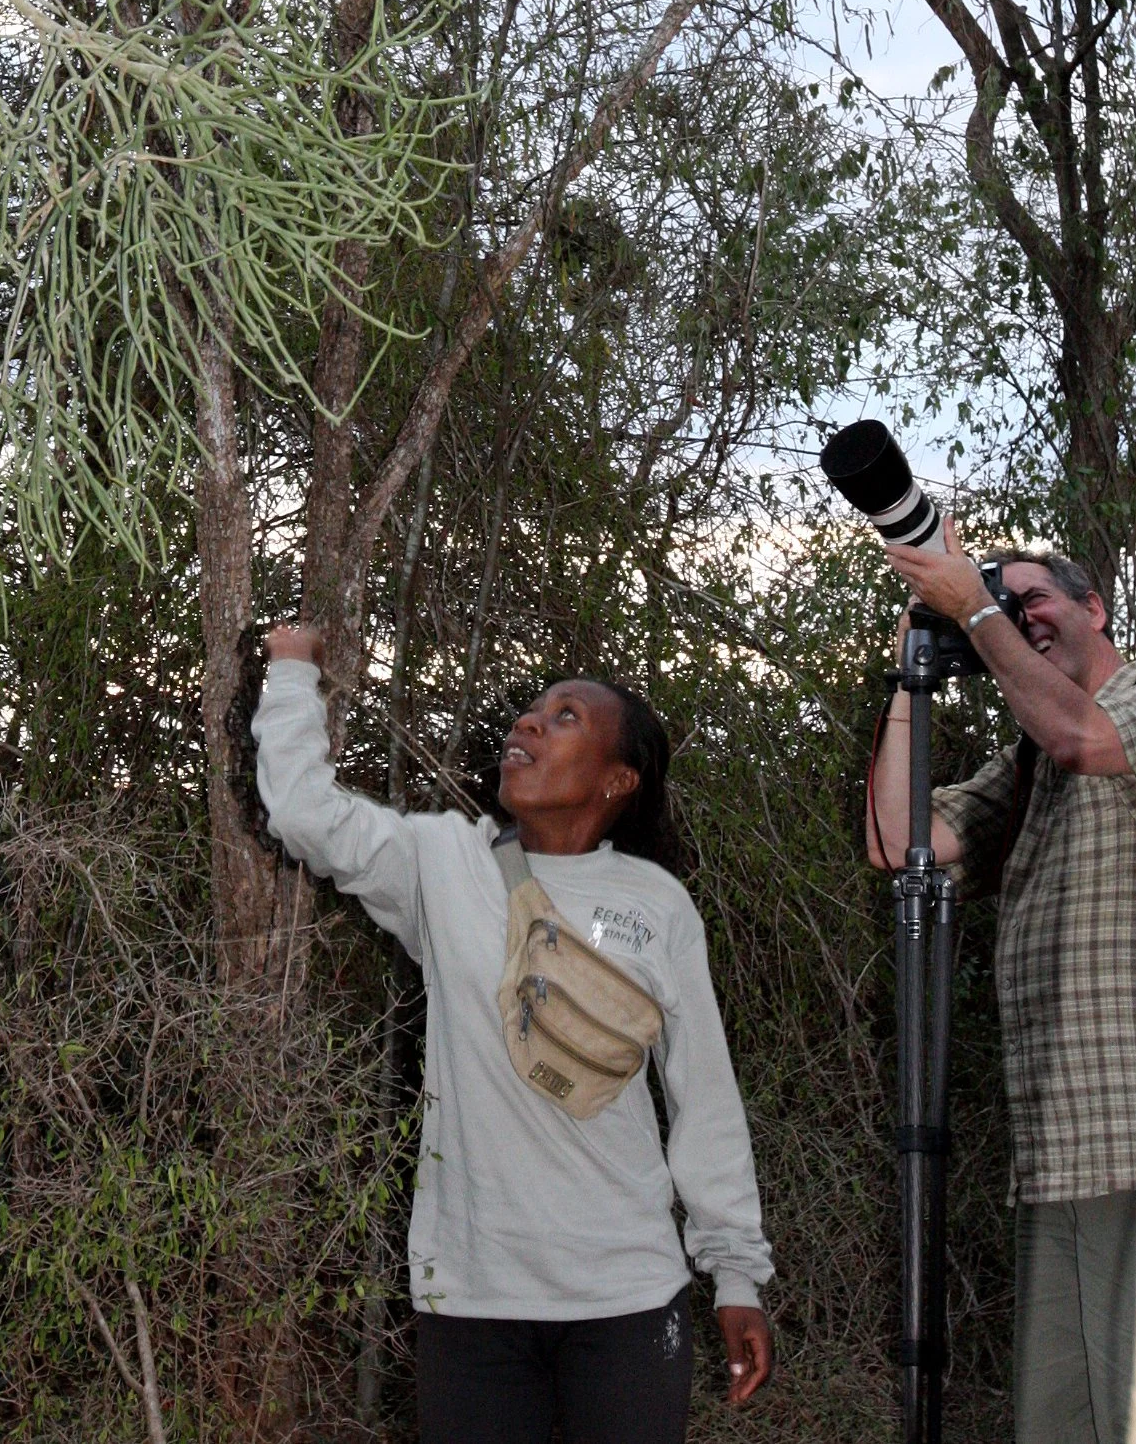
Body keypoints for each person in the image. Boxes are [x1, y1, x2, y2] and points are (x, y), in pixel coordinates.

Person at [253, 623, 773, 1444]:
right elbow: (303, 813)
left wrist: (735, 1271)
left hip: (626, 1290)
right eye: (529, 713)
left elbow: (702, 1093)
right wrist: (290, 674)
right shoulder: (439, 863)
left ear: (618, 778)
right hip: (472, 1293)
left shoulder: (655, 903)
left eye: (563, 717)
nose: (526, 725)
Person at [876, 522, 1136, 1444]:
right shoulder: (1024, 760)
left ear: (1093, 609)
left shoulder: (1114, 707)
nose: (1017, 616)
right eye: (1001, 600)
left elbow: (1083, 738)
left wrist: (973, 604)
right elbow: (896, 838)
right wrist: (912, 664)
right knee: (1063, 1420)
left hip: (1126, 1130)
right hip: (1066, 1139)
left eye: (1033, 599)